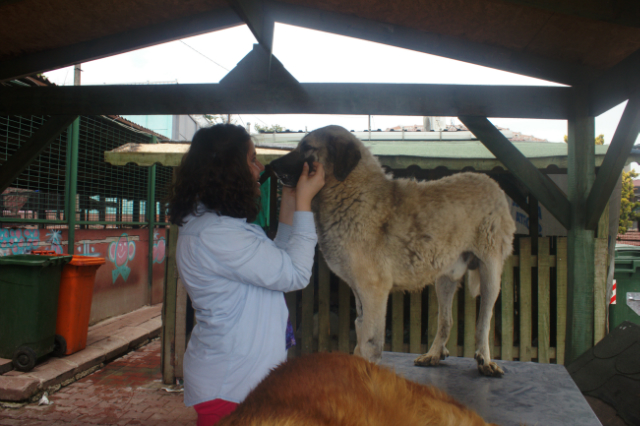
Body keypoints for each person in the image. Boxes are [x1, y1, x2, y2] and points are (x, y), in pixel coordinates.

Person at [167, 124, 324, 426]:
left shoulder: (216, 226)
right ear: (228, 169)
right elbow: (295, 273)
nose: (260, 168)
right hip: (232, 387)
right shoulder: (216, 234)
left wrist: (291, 198)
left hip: (236, 381)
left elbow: (277, 262)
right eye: (251, 159)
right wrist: (305, 204)